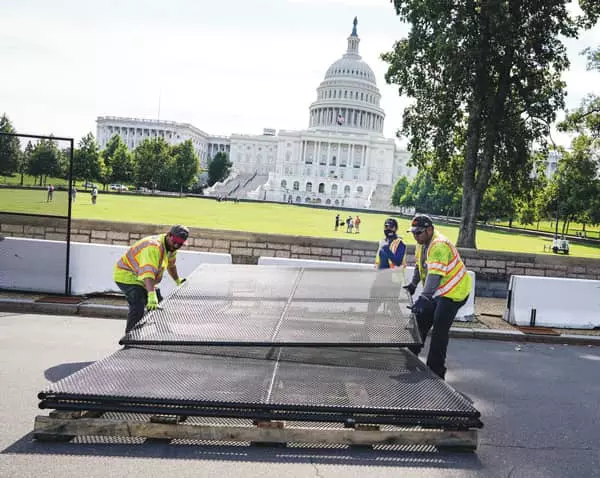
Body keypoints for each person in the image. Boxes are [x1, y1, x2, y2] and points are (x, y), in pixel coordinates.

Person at [404, 214, 471, 380]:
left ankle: (435, 371)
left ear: (429, 230)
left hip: (455, 292)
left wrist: (424, 298)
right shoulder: (422, 244)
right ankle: (409, 358)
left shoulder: (439, 246)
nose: (415, 236)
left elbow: (434, 276)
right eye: (413, 233)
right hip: (438, 291)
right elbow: (420, 267)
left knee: (439, 328)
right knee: (421, 319)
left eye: (418, 233)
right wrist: (413, 285)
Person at [113, 224, 190, 333]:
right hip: (126, 275)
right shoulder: (154, 247)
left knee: (159, 303)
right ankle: (130, 339)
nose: (177, 245)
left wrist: (177, 280)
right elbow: (147, 273)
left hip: (141, 278)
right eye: (175, 242)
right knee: (138, 304)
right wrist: (151, 295)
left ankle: (164, 332)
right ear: (169, 235)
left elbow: (171, 265)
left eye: (180, 244)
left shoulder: (171, 247)